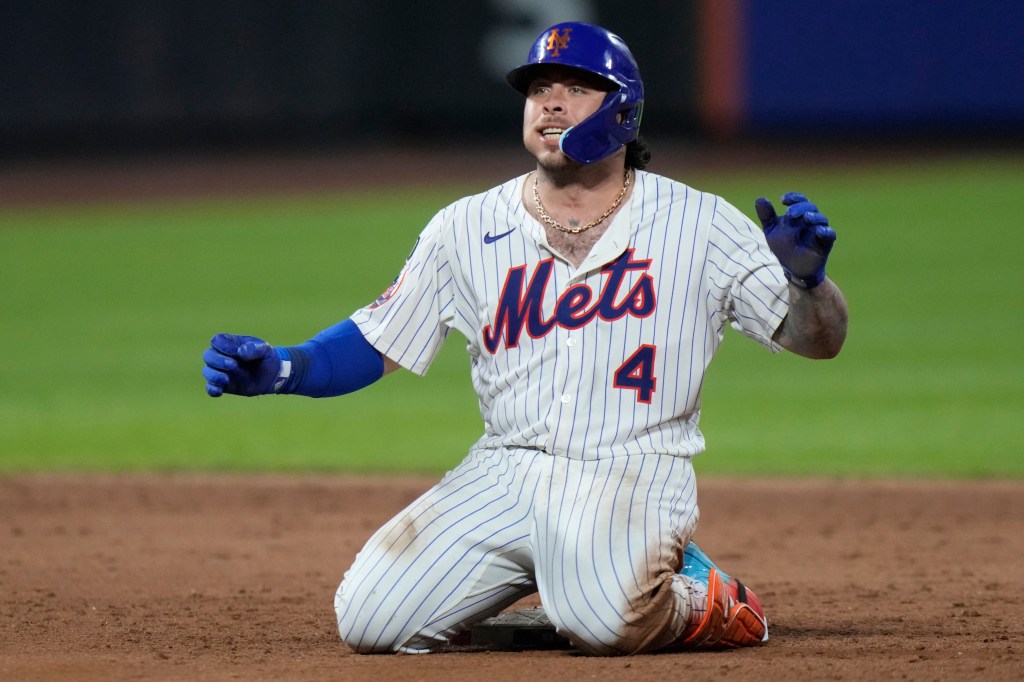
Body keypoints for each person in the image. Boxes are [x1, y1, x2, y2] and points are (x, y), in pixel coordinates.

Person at [202, 21, 847, 655]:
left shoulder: (700, 221)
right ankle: (566, 579)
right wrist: (285, 367)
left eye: (575, 87)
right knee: (369, 621)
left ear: (624, 111)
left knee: (602, 621)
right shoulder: (466, 225)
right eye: (539, 89)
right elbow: (377, 340)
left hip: (633, 470)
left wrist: (808, 284)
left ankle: (703, 595)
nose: (550, 102)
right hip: (505, 471)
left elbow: (817, 339)